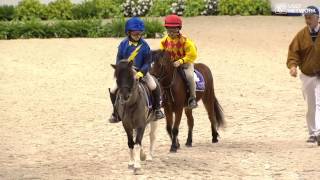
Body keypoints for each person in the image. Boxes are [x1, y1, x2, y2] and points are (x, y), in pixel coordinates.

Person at [108, 17, 165, 123]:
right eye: (135, 34)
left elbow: (147, 62)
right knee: (113, 89)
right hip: (126, 72)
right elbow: (119, 59)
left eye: (139, 34)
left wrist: (140, 73)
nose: (137, 36)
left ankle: (157, 109)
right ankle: (115, 112)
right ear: (128, 33)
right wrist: (120, 69)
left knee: (153, 85)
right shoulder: (123, 44)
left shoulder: (145, 46)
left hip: (141, 71)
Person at [286, 6, 320, 143]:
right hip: (307, 75)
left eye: (310, 17)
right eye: (306, 17)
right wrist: (293, 66)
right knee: (310, 105)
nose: (308, 20)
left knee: (319, 103)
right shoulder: (301, 35)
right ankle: (312, 133)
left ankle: (318, 132)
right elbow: (293, 52)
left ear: (318, 18)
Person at [160, 14, 198, 109]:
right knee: (160, 76)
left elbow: (192, 55)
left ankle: (192, 98)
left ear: (179, 29)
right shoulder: (164, 41)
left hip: (185, 64)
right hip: (171, 65)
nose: (171, 32)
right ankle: (161, 98)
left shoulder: (186, 41)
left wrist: (181, 61)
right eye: (169, 30)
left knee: (190, 76)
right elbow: (162, 53)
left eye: (174, 30)